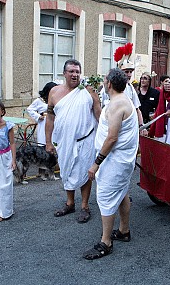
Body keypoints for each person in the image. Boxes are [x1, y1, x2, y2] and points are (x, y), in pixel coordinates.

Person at [83, 68, 139, 260]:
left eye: (104, 80)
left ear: (109, 84)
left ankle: (106, 242)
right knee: (122, 193)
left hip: (114, 162)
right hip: (118, 161)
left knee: (106, 199)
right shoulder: (118, 101)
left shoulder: (118, 105)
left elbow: (112, 138)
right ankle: (124, 231)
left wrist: (96, 164)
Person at [45, 59, 101, 223]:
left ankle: (84, 206)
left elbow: (100, 116)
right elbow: (49, 118)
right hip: (64, 142)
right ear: (64, 73)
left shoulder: (89, 91)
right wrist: (48, 142)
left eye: (77, 71)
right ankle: (70, 203)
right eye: (71, 71)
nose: (75, 74)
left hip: (86, 140)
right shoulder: (54, 92)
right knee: (67, 170)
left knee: (85, 173)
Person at [148, 75, 170, 141]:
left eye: (169, 82)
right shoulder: (157, 91)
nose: (167, 83)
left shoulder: (168, 93)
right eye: (166, 81)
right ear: (161, 82)